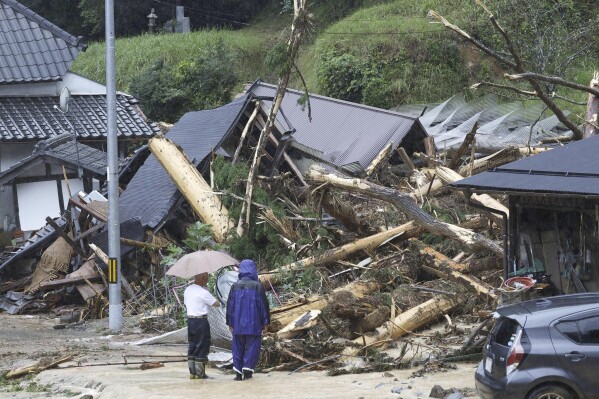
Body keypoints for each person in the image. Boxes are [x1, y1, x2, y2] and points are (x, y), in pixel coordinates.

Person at [226, 259, 270, 381]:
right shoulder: (257, 286)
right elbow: (263, 306)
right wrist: (265, 322)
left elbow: (230, 306)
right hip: (254, 324)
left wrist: (229, 322)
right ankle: (248, 369)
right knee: (253, 347)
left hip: (238, 325)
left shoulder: (235, 286)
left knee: (237, 348)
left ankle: (238, 374)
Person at [184, 272, 220, 379]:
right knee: (202, 345)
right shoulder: (203, 292)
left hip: (190, 321)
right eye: (207, 277)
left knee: (193, 345)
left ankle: (192, 373)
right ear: (203, 279)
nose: (208, 279)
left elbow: (186, 303)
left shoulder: (188, 289)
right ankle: (200, 374)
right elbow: (216, 304)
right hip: (201, 322)